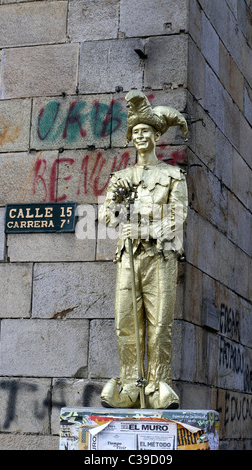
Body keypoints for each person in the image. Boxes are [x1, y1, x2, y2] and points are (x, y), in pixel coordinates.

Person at [99, 90, 188, 409]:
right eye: (135, 132)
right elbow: (107, 214)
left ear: (155, 136)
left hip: (161, 255)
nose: (140, 136)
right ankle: (129, 386)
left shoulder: (173, 175)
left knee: (160, 322)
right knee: (126, 320)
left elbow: (178, 215)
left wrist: (141, 215)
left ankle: (157, 385)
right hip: (128, 256)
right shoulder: (121, 178)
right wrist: (130, 211)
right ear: (130, 137)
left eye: (146, 131)